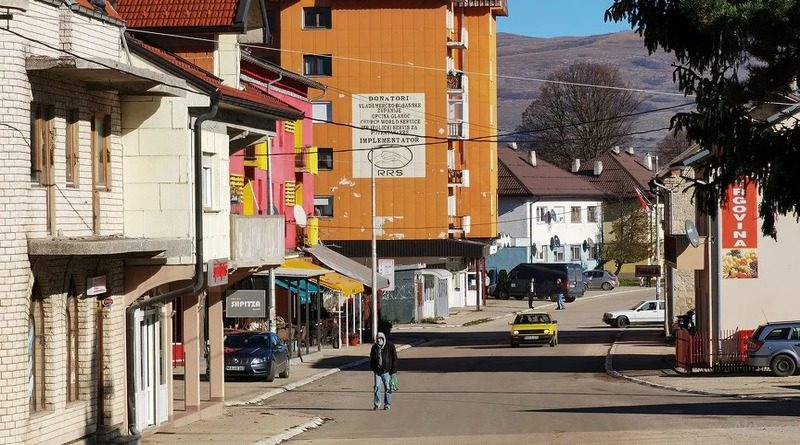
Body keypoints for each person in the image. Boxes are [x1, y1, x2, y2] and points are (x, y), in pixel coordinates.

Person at [370, 331, 397, 410]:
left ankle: (387, 404)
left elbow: (394, 358)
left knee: (388, 388)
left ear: (384, 338)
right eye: (377, 338)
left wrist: (393, 371)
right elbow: (372, 358)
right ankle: (377, 404)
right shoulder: (374, 347)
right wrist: (373, 368)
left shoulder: (390, 346)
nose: (379, 340)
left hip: (387, 372)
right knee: (376, 388)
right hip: (377, 372)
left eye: (380, 338)